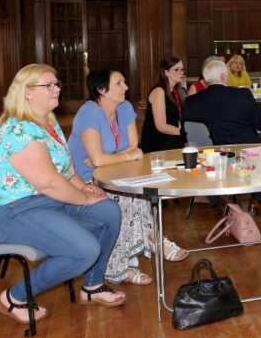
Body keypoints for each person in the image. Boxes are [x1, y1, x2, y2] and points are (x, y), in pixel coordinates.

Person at [0, 64, 125, 326]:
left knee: (108, 210)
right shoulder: (18, 130)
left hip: (44, 204)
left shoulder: (49, 124)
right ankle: (15, 297)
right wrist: (84, 198)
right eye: (48, 85)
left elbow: (65, 170)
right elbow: (49, 182)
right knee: (84, 250)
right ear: (27, 92)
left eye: (57, 84)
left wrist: (83, 187)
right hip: (7, 212)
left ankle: (92, 286)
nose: (56, 89)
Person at [68, 67, 188, 286]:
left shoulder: (124, 108)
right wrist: (121, 157)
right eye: (119, 83)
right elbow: (98, 161)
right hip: (83, 181)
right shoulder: (89, 112)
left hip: (116, 174)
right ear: (101, 90)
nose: (126, 87)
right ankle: (134, 256)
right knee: (123, 200)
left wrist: (111, 157)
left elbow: (135, 147)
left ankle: (136, 255)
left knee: (139, 193)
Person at [182, 59, 261, 212]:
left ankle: (216, 200)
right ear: (223, 77)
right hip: (245, 151)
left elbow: (185, 128)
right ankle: (258, 199)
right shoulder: (242, 95)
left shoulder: (192, 102)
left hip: (211, 156)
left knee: (209, 153)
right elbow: (260, 123)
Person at [140, 57, 186, 153]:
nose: (181, 73)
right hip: (157, 141)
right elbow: (161, 126)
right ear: (166, 72)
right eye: (176, 69)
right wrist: (184, 132)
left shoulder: (177, 91)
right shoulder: (159, 91)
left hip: (172, 138)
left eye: (182, 70)